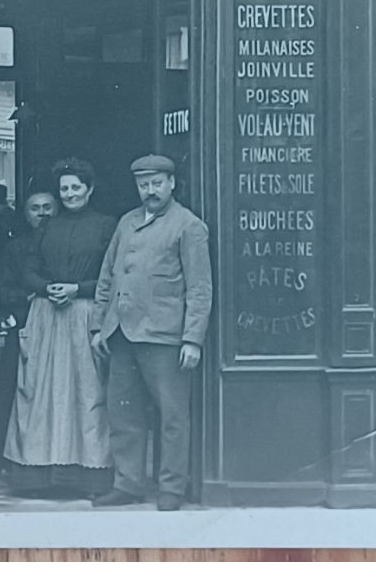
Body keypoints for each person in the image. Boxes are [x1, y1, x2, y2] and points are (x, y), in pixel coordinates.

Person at [90, 155, 212, 512]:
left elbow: (200, 288)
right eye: (144, 185)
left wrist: (193, 339)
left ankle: (172, 487)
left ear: (171, 183)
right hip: (121, 334)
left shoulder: (188, 226)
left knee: (172, 415)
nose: (150, 191)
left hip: (164, 336)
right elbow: (107, 277)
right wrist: (99, 325)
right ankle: (128, 483)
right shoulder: (127, 222)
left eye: (157, 183)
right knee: (123, 414)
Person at [4, 158, 116, 496]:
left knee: (86, 391)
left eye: (75, 187)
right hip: (47, 315)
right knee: (39, 391)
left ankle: (88, 475)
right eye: (64, 188)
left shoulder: (106, 225)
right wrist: (46, 287)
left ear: (89, 189)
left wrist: (77, 289)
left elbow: (113, 276)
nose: (69, 194)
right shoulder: (47, 227)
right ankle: (38, 474)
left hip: (83, 313)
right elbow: (29, 268)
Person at [0, 185, 53, 469]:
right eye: (35, 208)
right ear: (25, 214)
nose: (42, 214)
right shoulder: (16, 248)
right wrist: (32, 299)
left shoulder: (64, 243)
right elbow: (5, 290)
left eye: (47, 207)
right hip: (25, 325)